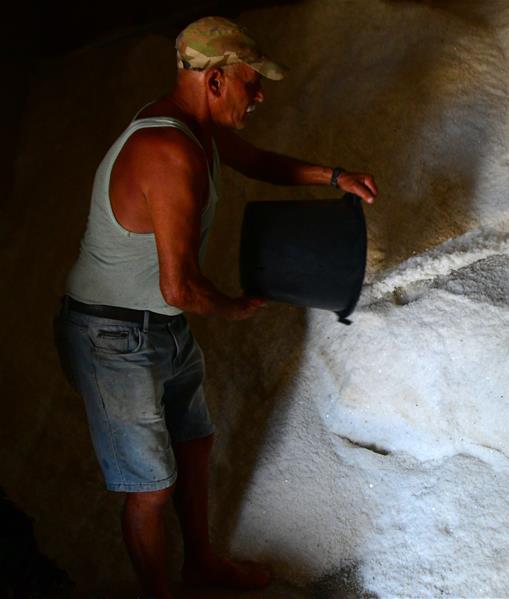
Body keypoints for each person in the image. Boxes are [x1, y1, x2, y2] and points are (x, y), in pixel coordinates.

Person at [53, 16, 378, 597]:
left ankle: (200, 564)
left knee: (194, 445)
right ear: (215, 81)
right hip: (109, 335)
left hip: (159, 325)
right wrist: (236, 308)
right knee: (150, 487)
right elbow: (181, 287)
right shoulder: (167, 151)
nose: (260, 95)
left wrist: (334, 176)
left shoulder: (195, 128)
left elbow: (257, 162)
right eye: (251, 83)